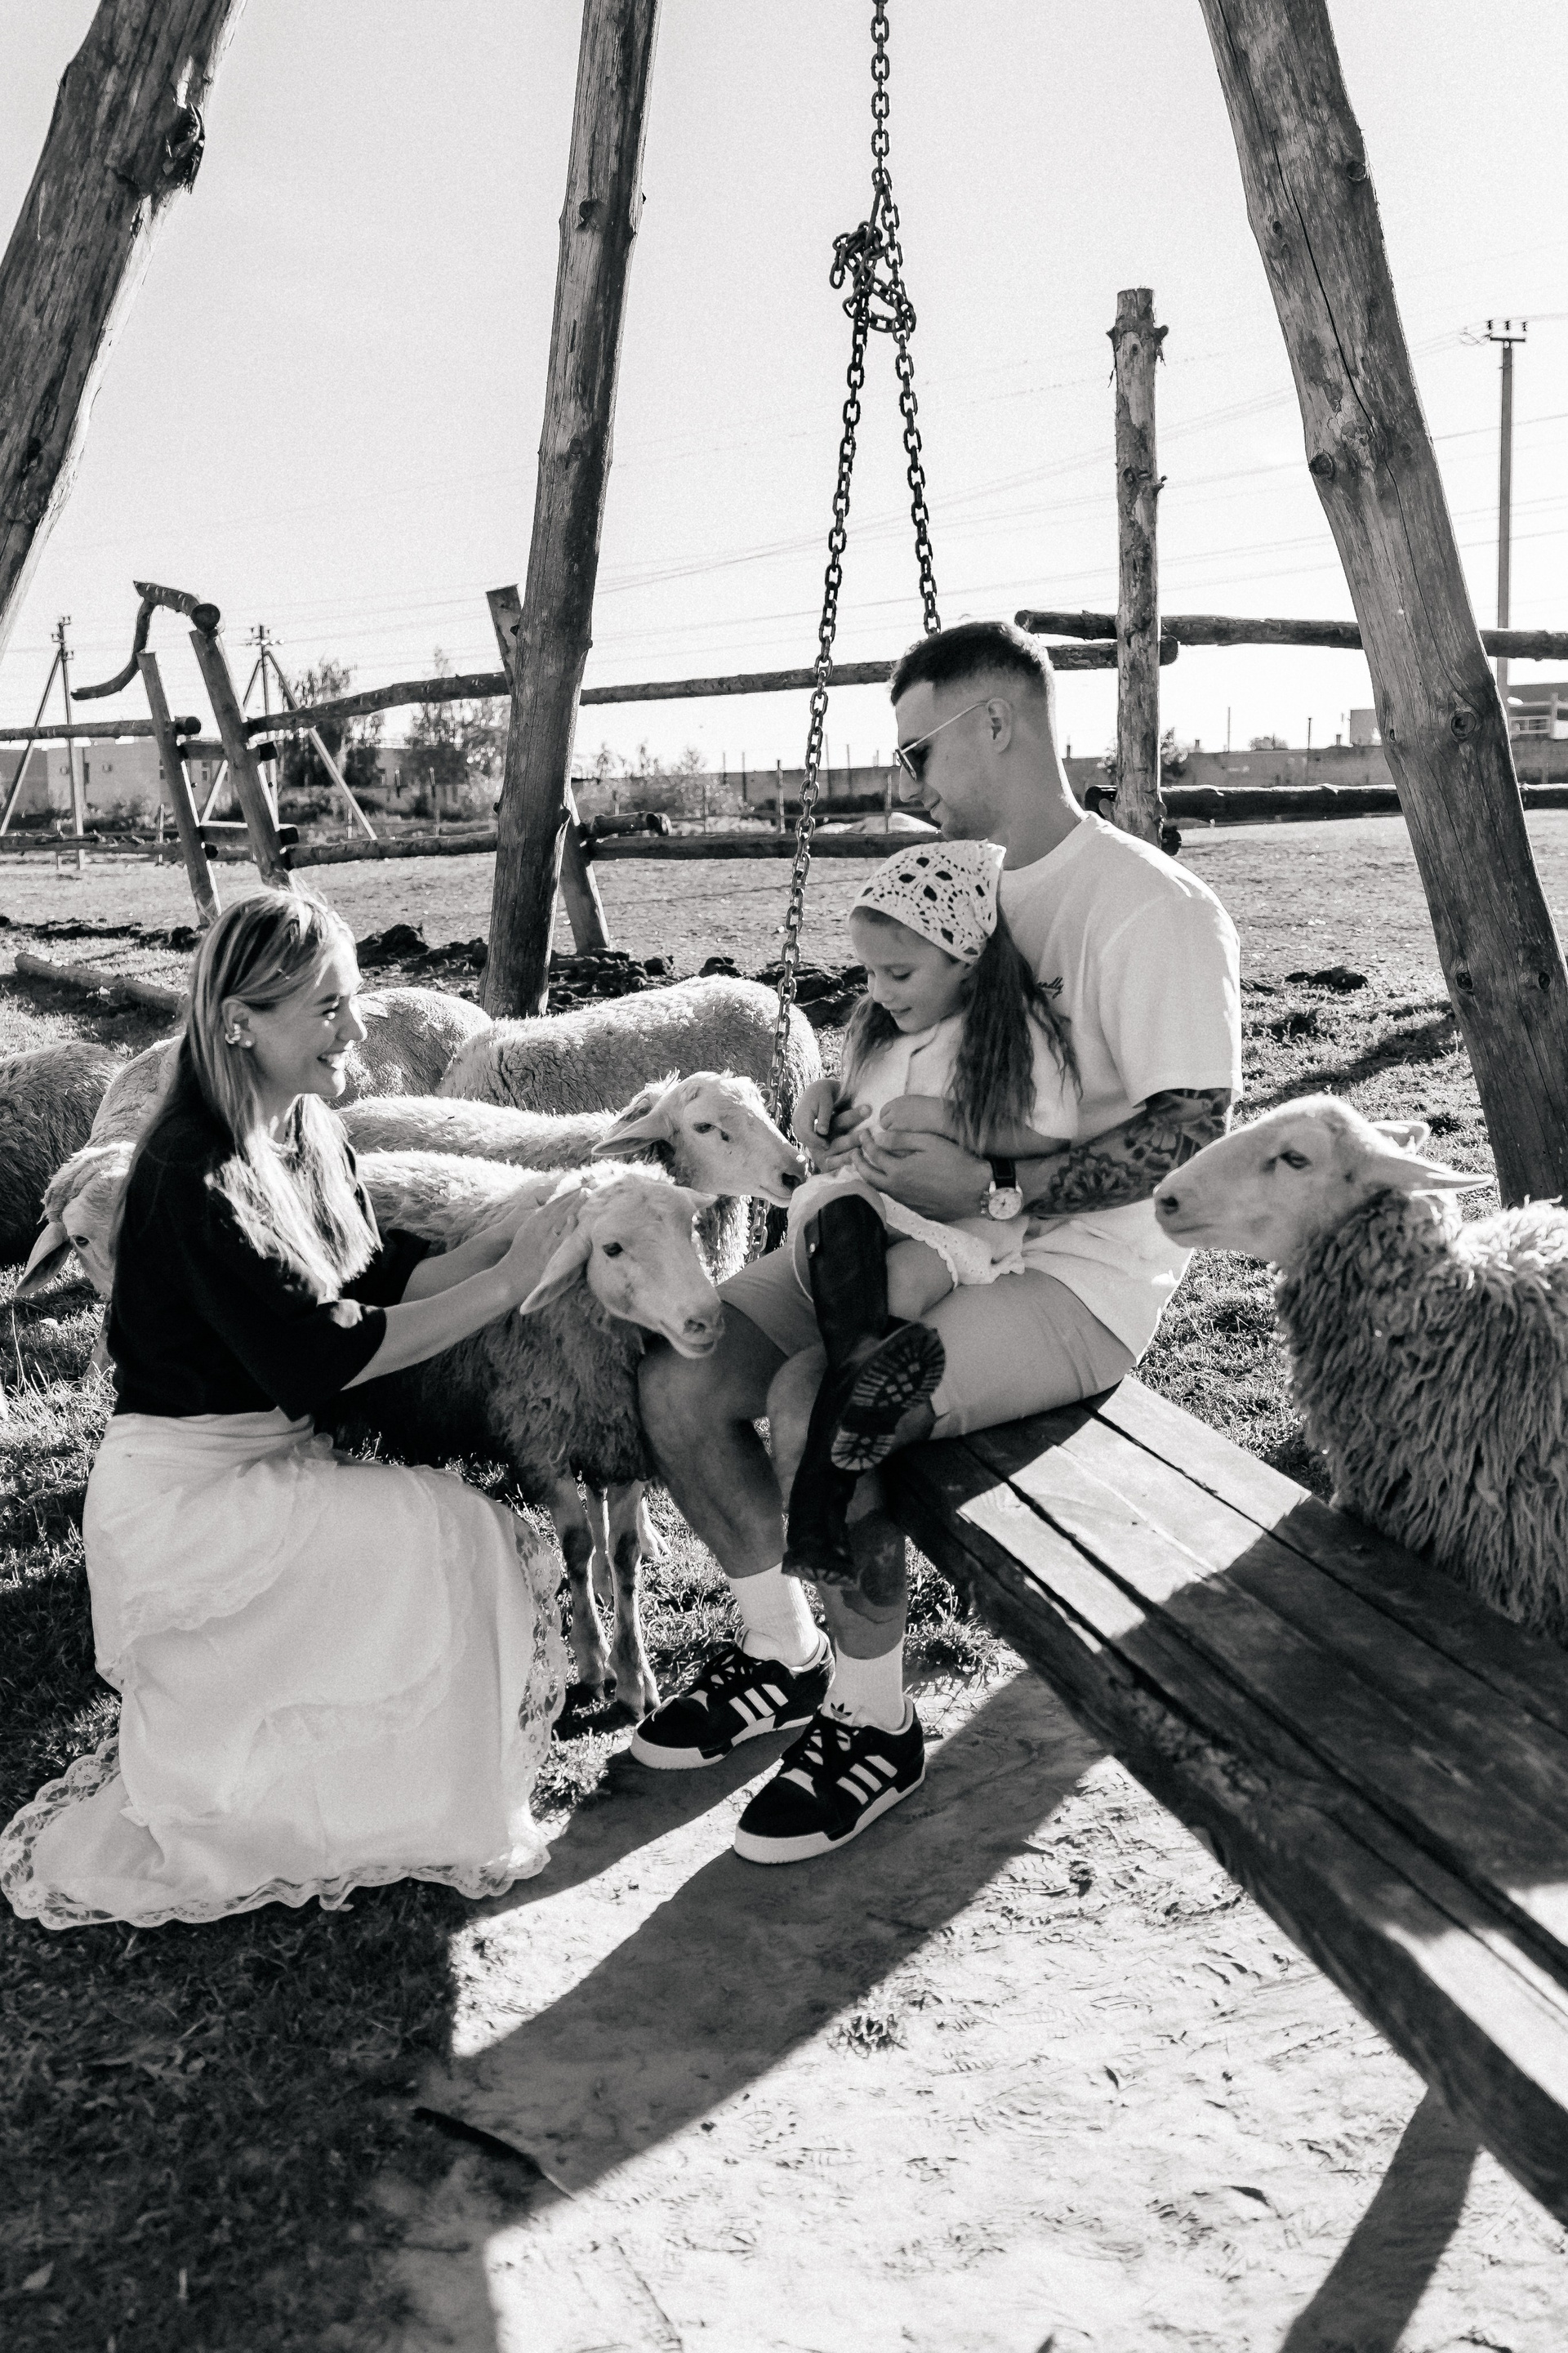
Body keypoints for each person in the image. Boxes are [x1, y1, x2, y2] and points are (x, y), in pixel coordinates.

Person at [633, 618, 1241, 1867]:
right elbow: (904, 1033)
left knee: (821, 1395)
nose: (907, 780)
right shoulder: (955, 881)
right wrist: (836, 1104)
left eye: (917, 751)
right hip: (897, 1223)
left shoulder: (1150, 909)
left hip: (1072, 1276)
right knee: (683, 1376)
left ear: (997, 723)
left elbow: (1192, 1135)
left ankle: (873, 1722)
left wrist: (997, 1183)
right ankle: (782, 1651)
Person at [1, 891, 566, 1932]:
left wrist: (516, 1228)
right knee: (453, 1531)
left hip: (273, 1459)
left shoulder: (307, 1128)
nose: (357, 1031)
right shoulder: (190, 1170)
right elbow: (325, 1354)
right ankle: (352, 1802)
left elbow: (373, 1277)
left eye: (354, 1000)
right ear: (240, 1022)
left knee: (454, 1535)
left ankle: (389, 1796)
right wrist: (504, 1283)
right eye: (328, 1007)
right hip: (188, 1499)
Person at [781, 835, 1077, 1584]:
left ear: (965, 957)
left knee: (900, 1291)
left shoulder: (1013, 1033)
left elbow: (1050, 1132)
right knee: (847, 1236)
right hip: (855, 1203)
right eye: (870, 971)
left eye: (900, 972)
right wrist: (822, 1099)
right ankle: (831, 1473)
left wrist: (952, 1121)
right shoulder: (878, 1030)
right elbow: (847, 1115)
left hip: (952, 1222)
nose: (879, 990)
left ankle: (819, 1503)